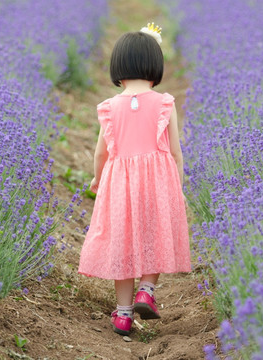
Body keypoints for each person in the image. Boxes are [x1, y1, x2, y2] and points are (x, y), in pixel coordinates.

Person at [78, 23, 191, 336]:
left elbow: (102, 153)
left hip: (120, 185)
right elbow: (176, 153)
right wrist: (176, 189)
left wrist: (98, 181)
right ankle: (147, 291)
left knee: (123, 245)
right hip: (159, 181)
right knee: (155, 236)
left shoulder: (110, 107)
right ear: (154, 65)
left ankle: (124, 315)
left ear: (119, 67)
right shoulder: (165, 103)